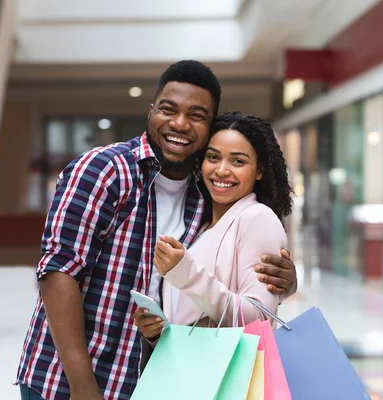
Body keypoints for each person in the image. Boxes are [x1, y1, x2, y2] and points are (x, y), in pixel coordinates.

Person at [16, 61, 298, 400]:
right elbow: (57, 273)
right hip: (68, 384)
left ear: (209, 126)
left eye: (196, 115)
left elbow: (221, 278)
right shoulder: (104, 170)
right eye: (169, 109)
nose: (180, 123)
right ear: (151, 110)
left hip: (150, 382)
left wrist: (282, 285)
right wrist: (82, 384)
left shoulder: (204, 192)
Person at [134, 111, 293, 343]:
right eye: (213, 157)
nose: (221, 170)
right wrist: (157, 330)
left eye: (238, 161)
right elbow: (194, 317)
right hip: (190, 371)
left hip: (229, 375)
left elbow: (258, 319)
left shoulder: (258, 219)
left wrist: (185, 273)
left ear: (260, 171)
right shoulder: (200, 226)